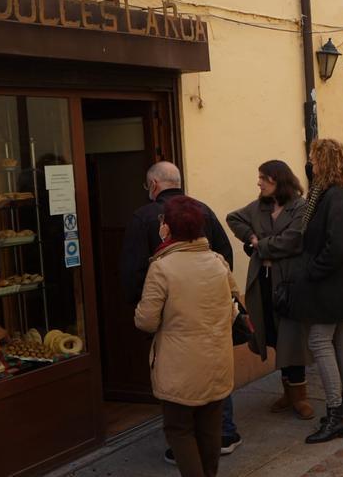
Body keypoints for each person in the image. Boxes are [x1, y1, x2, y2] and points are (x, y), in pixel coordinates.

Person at [119, 161, 241, 464]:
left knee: (179, 421)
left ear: (154, 185)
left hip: (174, 334)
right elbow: (228, 261)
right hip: (214, 338)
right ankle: (227, 432)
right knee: (212, 408)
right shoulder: (208, 227)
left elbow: (133, 275)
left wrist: (144, 306)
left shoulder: (148, 230)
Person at [290, 139, 343, 443]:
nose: (310, 164)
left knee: (319, 340)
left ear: (325, 162)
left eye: (314, 158)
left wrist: (311, 271)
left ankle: (336, 413)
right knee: (340, 337)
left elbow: (337, 246)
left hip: (332, 284)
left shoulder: (335, 197)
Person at [226, 160, 313, 420]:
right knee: (274, 335)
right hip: (262, 281)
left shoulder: (300, 206)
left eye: (264, 178)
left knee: (292, 337)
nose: (259, 182)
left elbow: (293, 241)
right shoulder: (259, 206)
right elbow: (233, 218)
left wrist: (259, 246)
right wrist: (251, 239)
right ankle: (288, 392)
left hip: (289, 282)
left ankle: (300, 397)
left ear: (278, 180)